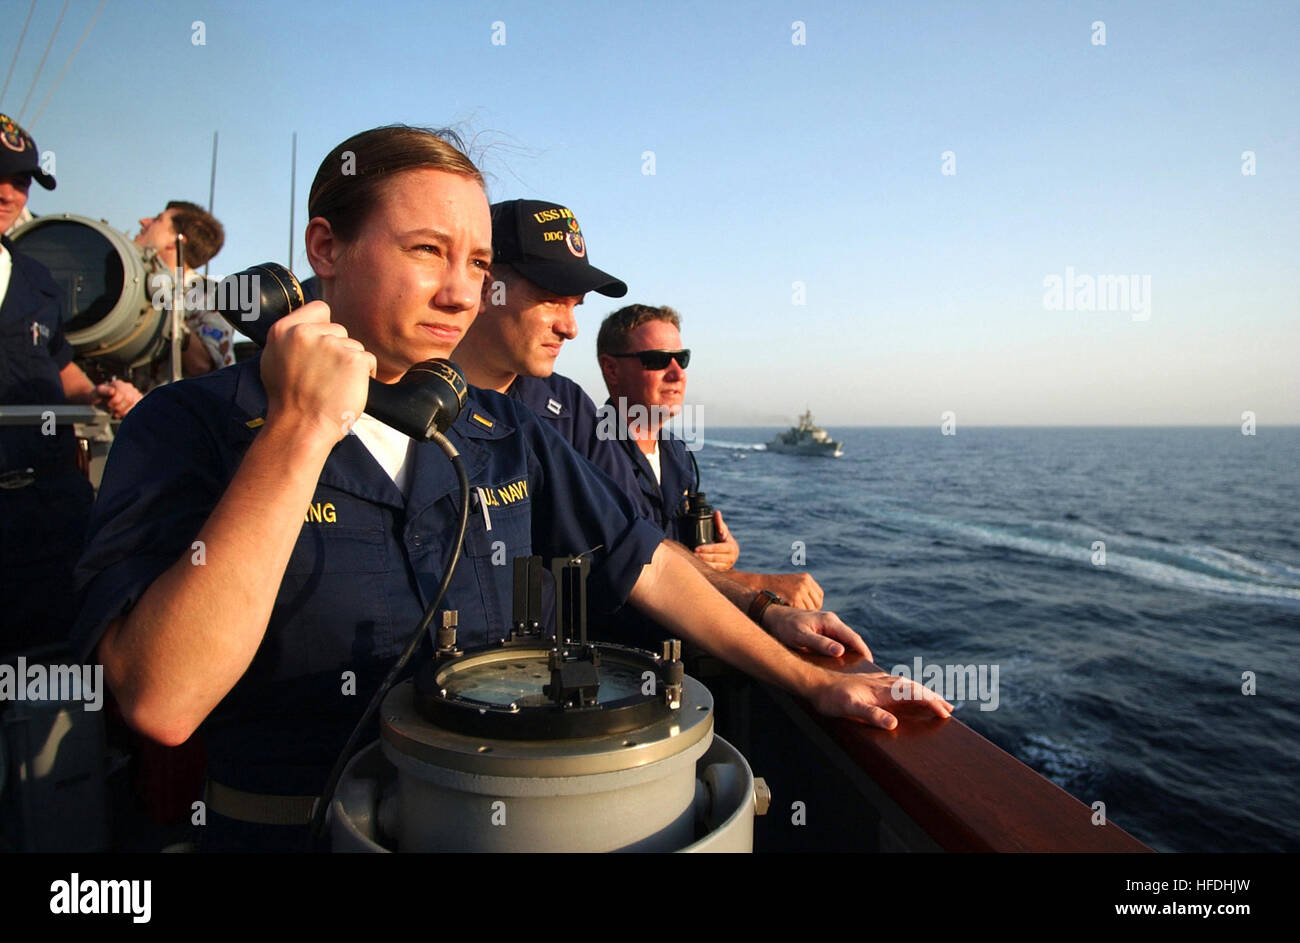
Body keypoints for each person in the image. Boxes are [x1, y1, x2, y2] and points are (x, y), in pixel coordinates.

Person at [71, 125, 950, 851]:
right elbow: (159, 696)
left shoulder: (504, 429)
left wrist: (803, 676)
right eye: (426, 251)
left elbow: (645, 564)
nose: (462, 292)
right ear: (325, 247)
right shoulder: (190, 426)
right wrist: (298, 432)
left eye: (479, 263)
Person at [456, 199, 817, 607]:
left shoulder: (568, 405)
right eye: (551, 298)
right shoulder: (400, 399)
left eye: (575, 305)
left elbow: (633, 544)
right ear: (485, 285)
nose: (571, 328)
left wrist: (731, 574)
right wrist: (751, 589)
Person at [0, 113, 101, 651]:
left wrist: (101, 396)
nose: (8, 194)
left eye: (20, 181)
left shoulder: (36, 279)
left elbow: (60, 367)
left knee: (56, 660)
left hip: (48, 511)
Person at [96, 201, 229, 416]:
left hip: (169, 427)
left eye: (157, 220)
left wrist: (168, 311)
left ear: (175, 242)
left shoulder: (211, 295)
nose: (143, 221)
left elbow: (202, 365)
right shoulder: (123, 284)